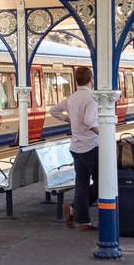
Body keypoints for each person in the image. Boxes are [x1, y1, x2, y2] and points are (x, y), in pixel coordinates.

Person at [48, 65, 99, 232]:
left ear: (76, 81)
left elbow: (53, 110)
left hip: (76, 147)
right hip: (92, 146)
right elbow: (91, 122)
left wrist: (67, 120)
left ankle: (82, 219)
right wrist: (105, 137)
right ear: (91, 79)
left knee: (82, 184)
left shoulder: (72, 98)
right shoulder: (92, 98)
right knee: (102, 183)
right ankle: (75, 210)